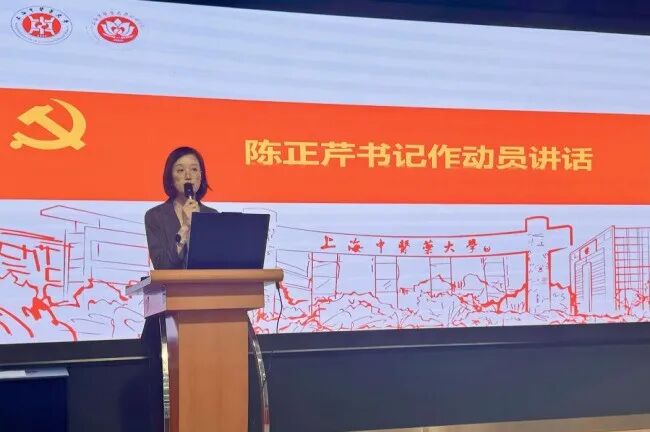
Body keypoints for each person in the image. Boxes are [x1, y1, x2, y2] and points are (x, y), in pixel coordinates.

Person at [144, 146, 218, 269]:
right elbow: (161, 266)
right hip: (172, 282)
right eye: (180, 170)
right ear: (170, 177)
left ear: (201, 176)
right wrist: (185, 227)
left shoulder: (212, 215)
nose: (188, 176)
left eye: (194, 169)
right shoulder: (155, 216)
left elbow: (217, 262)